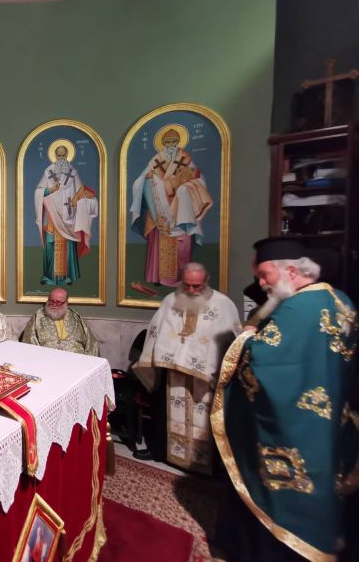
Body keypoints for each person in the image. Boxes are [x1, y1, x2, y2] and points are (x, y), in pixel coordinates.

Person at [212, 238, 358, 561]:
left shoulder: (297, 309)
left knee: (285, 499)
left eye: (265, 275)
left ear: (291, 271)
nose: (261, 283)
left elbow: (264, 363)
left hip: (294, 429)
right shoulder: (341, 299)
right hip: (329, 423)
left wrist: (245, 339)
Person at [132, 262, 240, 474]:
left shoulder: (223, 305)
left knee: (206, 416)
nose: (191, 290)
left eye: (197, 286)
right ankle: (161, 452)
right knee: (165, 412)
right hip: (172, 372)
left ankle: (208, 465)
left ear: (206, 282)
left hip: (206, 376)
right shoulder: (170, 301)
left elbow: (231, 341)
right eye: (187, 285)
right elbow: (155, 332)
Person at [129, 127, 213, 287]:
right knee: (159, 242)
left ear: (178, 142)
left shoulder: (185, 158)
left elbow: (198, 179)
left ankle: (181, 278)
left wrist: (187, 186)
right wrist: (147, 179)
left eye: (174, 142)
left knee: (182, 246)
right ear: (163, 143)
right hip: (160, 210)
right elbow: (139, 182)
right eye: (168, 142)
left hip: (180, 209)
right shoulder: (156, 160)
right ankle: (158, 278)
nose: (171, 145)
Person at [34, 143, 98, 285]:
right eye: (59, 156)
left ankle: (67, 277)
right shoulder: (48, 172)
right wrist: (50, 190)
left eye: (63, 155)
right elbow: (39, 191)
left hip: (68, 214)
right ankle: (49, 276)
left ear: (67, 156)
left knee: (67, 244)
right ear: (55, 156)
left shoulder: (73, 173)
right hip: (52, 215)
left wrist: (77, 199)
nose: (61, 159)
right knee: (50, 244)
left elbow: (80, 190)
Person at [21, 287, 99, 355]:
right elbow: (28, 343)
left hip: (76, 363)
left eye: (58, 302)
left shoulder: (77, 319)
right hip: (47, 362)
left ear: (66, 302)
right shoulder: (38, 318)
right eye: (51, 301)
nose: (54, 305)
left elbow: (92, 346)